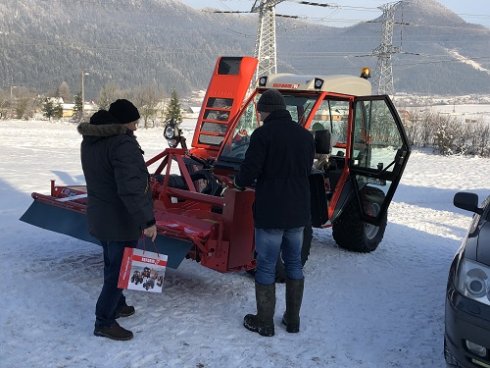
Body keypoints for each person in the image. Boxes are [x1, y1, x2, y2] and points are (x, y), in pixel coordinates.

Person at [234, 89, 315, 337]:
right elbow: (306, 169)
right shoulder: (305, 136)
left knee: (267, 265)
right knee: (293, 263)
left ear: (264, 110)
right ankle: (292, 320)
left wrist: (238, 183)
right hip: (298, 211)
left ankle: (264, 322)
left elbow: (250, 170)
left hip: (271, 211)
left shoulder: (263, 135)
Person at [77, 99, 157, 341]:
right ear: (123, 122)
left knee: (112, 263)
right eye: (134, 122)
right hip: (120, 220)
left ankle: (118, 303)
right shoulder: (122, 144)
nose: (136, 127)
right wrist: (147, 220)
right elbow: (131, 189)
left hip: (101, 216)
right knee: (118, 271)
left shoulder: (92, 141)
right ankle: (104, 321)